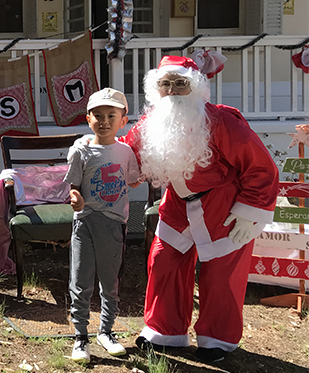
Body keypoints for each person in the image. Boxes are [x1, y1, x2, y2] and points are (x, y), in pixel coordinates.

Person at [120, 56, 278, 363]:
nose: (173, 91)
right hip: (178, 204)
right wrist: (100, 154)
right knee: (163, 262)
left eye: (181, 84)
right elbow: (129, 154)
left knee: (221, 275)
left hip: (224, 205)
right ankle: (164, 332)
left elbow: (261, 167)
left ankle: (218, 339)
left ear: (197, 87)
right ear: (157, 90)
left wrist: (250, 211)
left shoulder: (221, 120)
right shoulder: (150, 123)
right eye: (166, 85)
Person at [64, 88, 141, 363]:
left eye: (111, 115)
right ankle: (80, 337)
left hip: (114, 224)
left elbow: (131, 180)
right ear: (88, 119)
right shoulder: (80, 151)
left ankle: (106, 332)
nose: (104, 121)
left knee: (110, 282)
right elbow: (73, 187)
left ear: (123, 120)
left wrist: (142, 176)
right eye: (98, 115)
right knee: (81, 280)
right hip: (85, 223)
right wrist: (75, 197)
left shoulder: (126, 151)